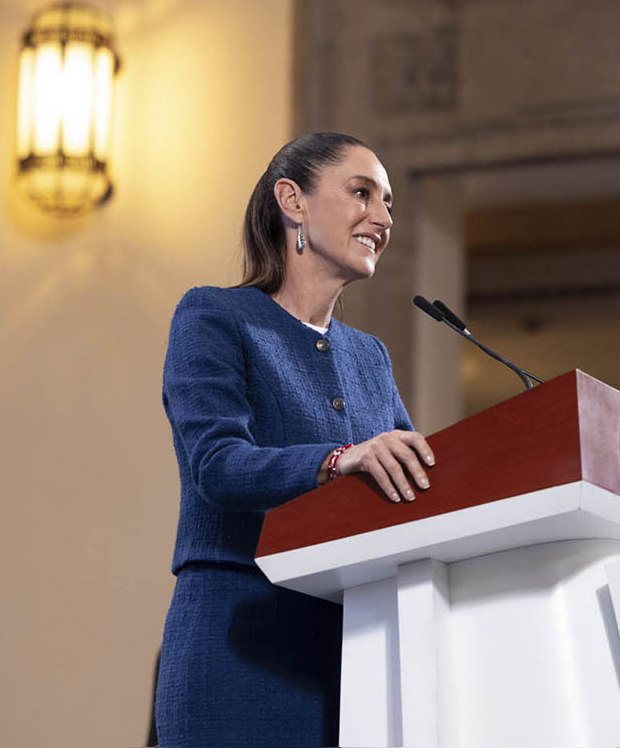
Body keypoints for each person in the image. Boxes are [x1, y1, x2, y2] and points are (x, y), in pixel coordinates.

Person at [154, 132, 436, 748]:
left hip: (358, 652)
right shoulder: (214, 316)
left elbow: (417, 489)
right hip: (240, 641)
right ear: (293, 200)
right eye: (361, 193)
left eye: (388, 203)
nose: (383, 218)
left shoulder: (370, 357)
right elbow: (218, 466)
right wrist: (341, 459)